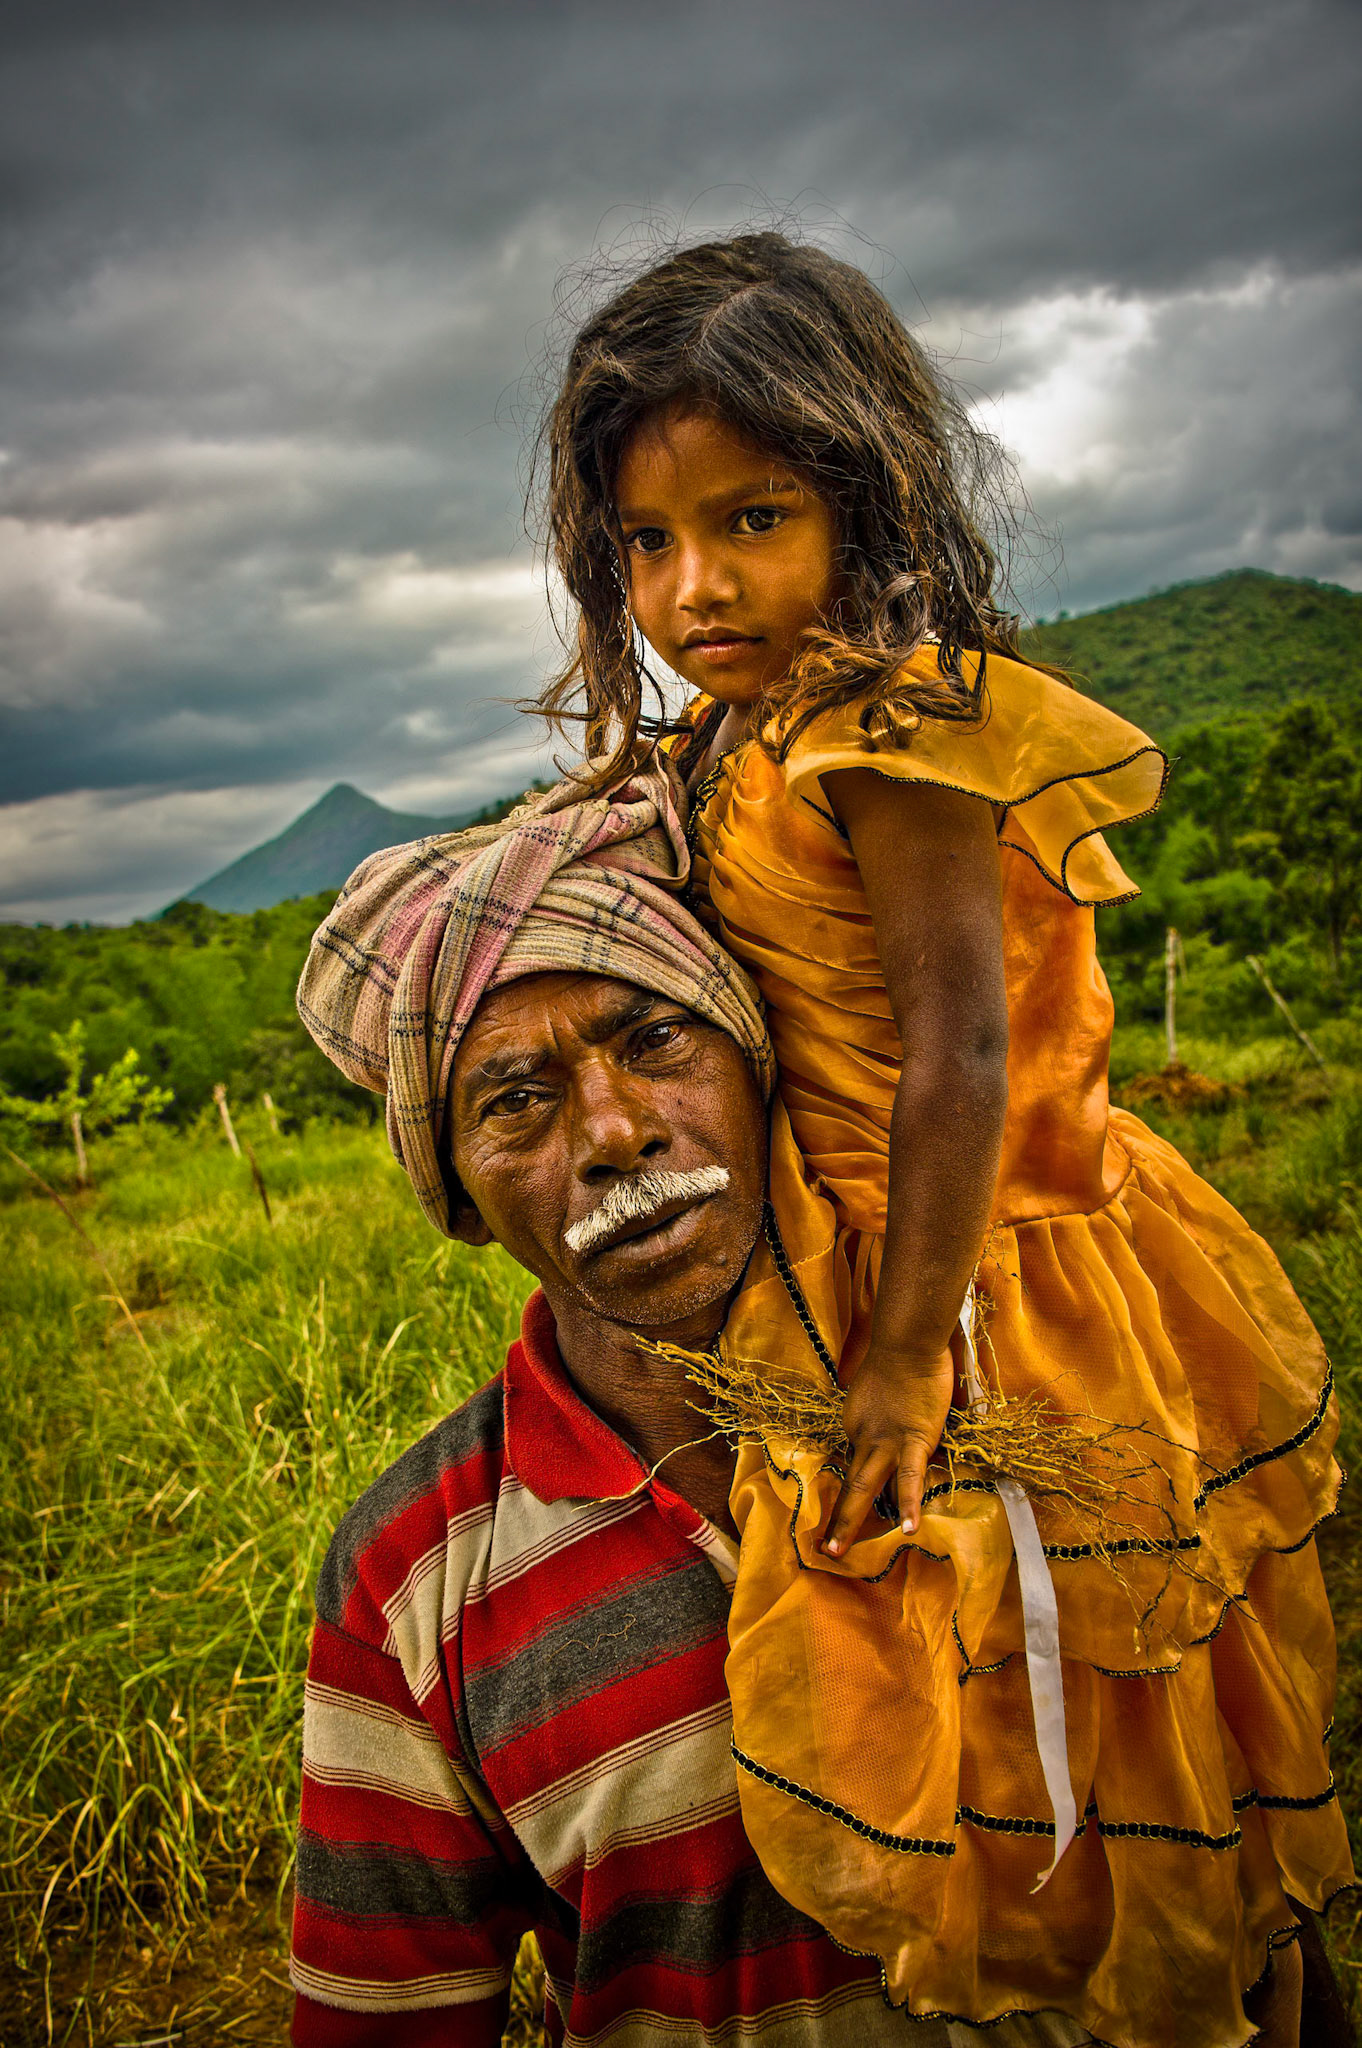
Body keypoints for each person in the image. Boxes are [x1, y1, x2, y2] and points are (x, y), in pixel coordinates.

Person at [529, 231, 1352, 2046]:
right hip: (866, 1262)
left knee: (1081, 1694)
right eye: (646, 543)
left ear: (864, 496)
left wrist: (906, 1361)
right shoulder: (746, 732)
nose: (692, 585)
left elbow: (962, 1054)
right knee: (954, 1666)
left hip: (977, 1284)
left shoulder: (890, 732)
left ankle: (1190, 1987)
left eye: (750, 520)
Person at [288, 766, 1096, 2046]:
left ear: (756, 1058)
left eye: (657, 1039)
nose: (615, 1130)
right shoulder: (413, 1576)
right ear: (457, 1187)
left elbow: (1240, 1884)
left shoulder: (1035, 1381)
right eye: (516, 1100)